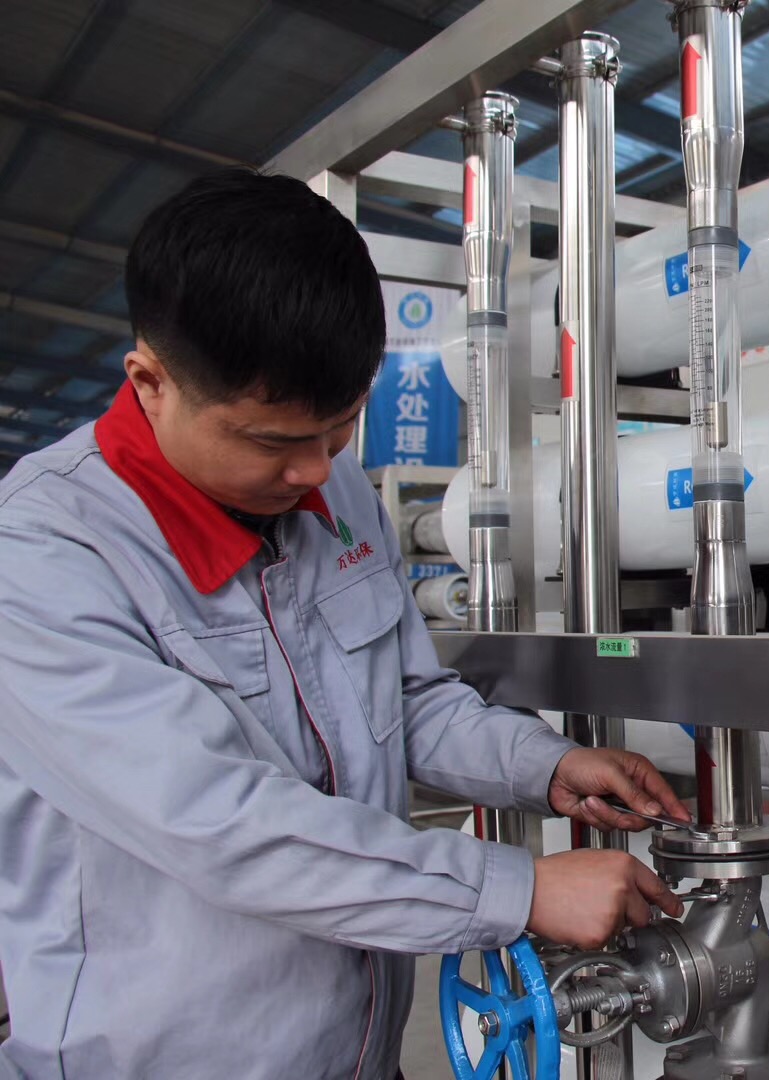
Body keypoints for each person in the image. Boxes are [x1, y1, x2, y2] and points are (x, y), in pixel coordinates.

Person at [0, 169, 687, 1080]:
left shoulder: (332, 488)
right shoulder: (45, 554)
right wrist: (515, 891)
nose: (316, 473)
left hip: (358, 1055)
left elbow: (406, 701)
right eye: (274, 441)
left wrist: (542, 764)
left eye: (341, 429)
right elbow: (221, 824)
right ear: (151, 382)